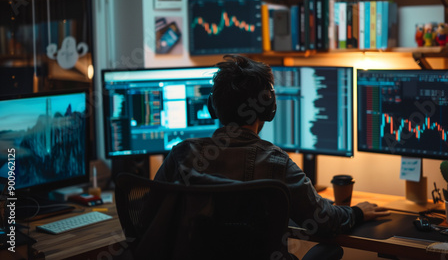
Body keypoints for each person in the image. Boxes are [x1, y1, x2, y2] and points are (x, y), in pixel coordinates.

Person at [154, 55, 390, 256]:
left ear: (212, 106)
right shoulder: (276, 163)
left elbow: (149, 215)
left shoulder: (181, 155)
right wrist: (357, 212)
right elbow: (323, 221)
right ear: (269, 109)